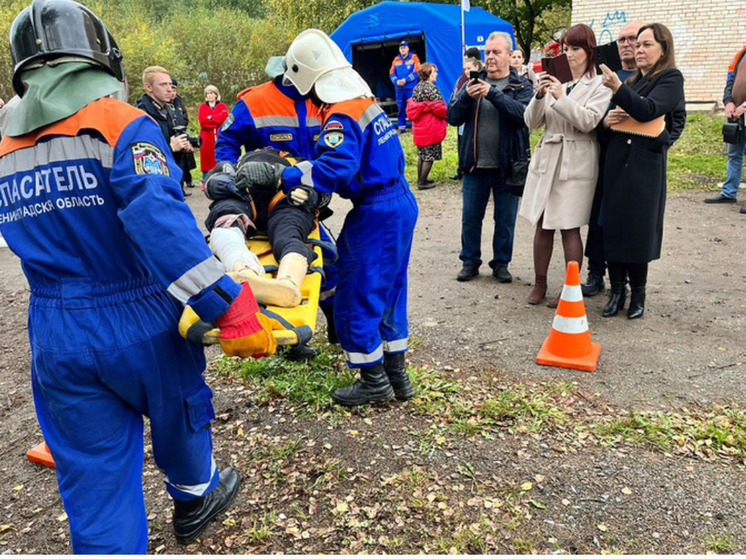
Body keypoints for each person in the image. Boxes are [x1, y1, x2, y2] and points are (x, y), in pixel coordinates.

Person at [0, 0, 278, 552]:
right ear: (101, 58)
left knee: (93, 476)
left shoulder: (5, 145)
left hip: (54, 328)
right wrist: (231, 305)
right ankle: (196, 497)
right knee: (178, 410)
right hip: (138, 309)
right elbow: (161, 228)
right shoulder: (120, 123)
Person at [242, 29, 419, 406]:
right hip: (398, 201)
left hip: (376, 211)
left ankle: (373, 380)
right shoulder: (362, 99)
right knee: (390, 289)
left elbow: (337, 167)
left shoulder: (339, 114)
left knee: (357, 291)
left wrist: (284, 175)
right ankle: (396, 376)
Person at [212, 56, 339, 348]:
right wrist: (228, 173)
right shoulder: (255, 102)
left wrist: (320, 190)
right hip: (255, 187)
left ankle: (335, 329)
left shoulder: (323, 102)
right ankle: (287, 329)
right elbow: (227, 143)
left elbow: (335, 155)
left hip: (301, 194)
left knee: (329, 266)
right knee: (230, 217)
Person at [520, 24, 612, 307]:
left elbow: (588, 121)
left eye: (576, 48)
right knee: (542, 224)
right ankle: (540, 282)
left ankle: (570, 287)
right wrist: (539, 95)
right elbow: (531, 123)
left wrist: (560, 97)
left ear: (589, 51)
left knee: (569, 227)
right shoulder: (555, 79)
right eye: (565, 49)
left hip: (576, 158)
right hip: (548, 156)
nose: (569, 55)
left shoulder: (598, 84)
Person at [598, 23, 686, 319]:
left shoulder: (670, 78)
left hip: (643, 167)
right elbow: (611, 119)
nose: (639, 50)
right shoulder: (633, 81)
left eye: (646, 44)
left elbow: (650, 110)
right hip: (617, 162)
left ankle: (638, 294)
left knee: (637, 230)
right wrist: (607, 122)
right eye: (637, 45)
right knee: (614, 228)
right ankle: (617, 292)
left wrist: (619, 90)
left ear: (663, 49)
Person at [447, 31, 533, 284]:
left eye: (496, 52)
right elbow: (452, 117)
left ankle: (501, 264)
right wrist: (466, 96)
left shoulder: (521, 85)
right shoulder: (470, 83)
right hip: (475, 166)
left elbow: (522, 116)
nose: (491, 57)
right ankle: (470, 261)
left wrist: (492, 93)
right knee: (471, 219)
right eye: (487, 53)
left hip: (508, 167)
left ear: (509, 54)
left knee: (505, 221)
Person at [581, 20, 644, 297]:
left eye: (634, 39)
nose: (627, 44)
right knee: (598, 219)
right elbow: (590, 118)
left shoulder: (651, 79)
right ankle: (596, 272)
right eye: (622, 40)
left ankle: (627, 280)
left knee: (628, 222)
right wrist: (603, 123)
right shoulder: (602, 76)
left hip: (636, 163)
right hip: (603, 157)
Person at [135, 66, 194, 197]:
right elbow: (141, 159)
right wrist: (170, 148)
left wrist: (184, 146)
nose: (169, 89)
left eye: (170, 84)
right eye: (163, 85)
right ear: (148, 87)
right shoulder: (140, 115)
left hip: (174, 179)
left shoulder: (169, 109)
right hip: (156, 188)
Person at [704, 45, 746, 214]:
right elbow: (731, 80)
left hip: (742, 109)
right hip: (736, 115)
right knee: (734, 154)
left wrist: (744, 105)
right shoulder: (741, 54)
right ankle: (729, 193)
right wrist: (728, 101)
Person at [406, 62, 447, 189]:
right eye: (434, 72)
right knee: (429, 156)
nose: (436, 74)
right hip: (430, 127)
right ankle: (422, 182)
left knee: (422, 155)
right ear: (428, 74)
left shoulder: (417, 87)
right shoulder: (431, 88)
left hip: (420, 126)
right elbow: (440, 109)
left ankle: (421, 179)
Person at [449, 47, 482, 181]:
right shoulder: (463, 78)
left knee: (468, 143)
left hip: (471, 119)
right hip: (460, 116)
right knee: (462, 143)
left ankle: (468, 169)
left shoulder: (481, 78)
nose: (467, 71)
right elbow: (456, 94)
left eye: (468, 67)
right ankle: (462, 169)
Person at [169, 78, 198, 191]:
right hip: (171, 139)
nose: (172, 92)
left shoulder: (178, 101)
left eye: (173, 89)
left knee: (184, 164)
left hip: (182, 135)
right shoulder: (164, 106)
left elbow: (184, 116)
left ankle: (182, 188)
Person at [198, 84, 229, 181]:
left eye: (211, 93)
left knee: (220, 155)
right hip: (206, 137)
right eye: (207, 94)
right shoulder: (202, 107)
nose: (209, 95)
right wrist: (216, 121)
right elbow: (203, 122)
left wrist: (211, 118)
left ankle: (221, 178)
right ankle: (205, 179)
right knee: (207, 158)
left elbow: (224, 118)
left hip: (220, 136)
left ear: (216, 94)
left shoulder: (222, 106)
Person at [389, 40, 420, 133]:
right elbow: (391, 73)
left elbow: (417, 71)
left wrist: (406, 80)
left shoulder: (414, 57)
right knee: (400, 107)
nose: (402, 49)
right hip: (399, 88)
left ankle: (416, 127)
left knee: (414, 107)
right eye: (401, 48)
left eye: (404, 48)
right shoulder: (396, 59)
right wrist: (396, 81)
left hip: (410, 88)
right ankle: (401, 127)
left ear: (408, 48)